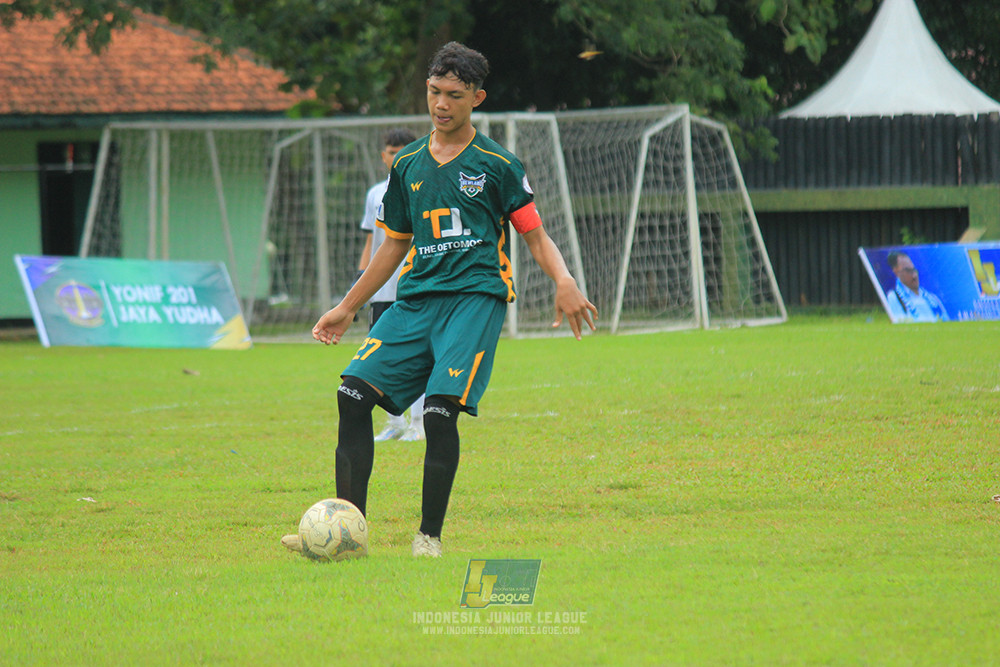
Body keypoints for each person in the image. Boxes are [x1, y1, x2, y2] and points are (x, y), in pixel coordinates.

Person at [282, 41, 597, 558]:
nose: (441, 104)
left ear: (477, 98)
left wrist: (564, 280)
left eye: (454, 94)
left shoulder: (498, 164)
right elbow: (393, 246)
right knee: (352, 395)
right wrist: (347, 306)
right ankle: (347, 534)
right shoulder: (407, 164)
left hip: (474, 300)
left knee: (438, 413)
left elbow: (535, 235)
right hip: (416, 302)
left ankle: (428, 537)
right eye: (434, 92)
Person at [357, 128, 425, 443]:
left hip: (415, 286)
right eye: (391, 152)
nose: (396, 157)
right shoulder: (375, 194)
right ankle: (394, 423)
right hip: (382, 290)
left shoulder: (424, 186)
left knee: (418, 356)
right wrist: (360, 282)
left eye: (403, 151)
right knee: (381, 356)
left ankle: (418, 424)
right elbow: (372, 241)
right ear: (383, 156)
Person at [885, 251, 949, 323]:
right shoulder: (894, 297)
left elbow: (946, 320)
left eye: (914, 270)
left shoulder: (932, 298)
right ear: (896, 272)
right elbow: (900, 322)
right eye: (908, 271)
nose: (914, 275)